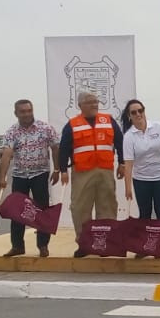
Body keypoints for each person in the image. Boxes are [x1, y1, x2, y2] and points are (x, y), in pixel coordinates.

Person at [60, 92, 125, 257]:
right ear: (80, 105)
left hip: (105, 170)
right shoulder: (72, 124)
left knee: (107, 207)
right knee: (80, 208)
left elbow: (120, 142)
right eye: (89, 102)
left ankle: (105, 244)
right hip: (82, 172)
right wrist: (62, 170)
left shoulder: (108, 121)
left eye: (96, 101)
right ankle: (84, 245)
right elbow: (64, 148)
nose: (94, 105)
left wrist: (122, 163)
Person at [0, 99, 61, 258]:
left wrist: (57, 169)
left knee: (42, 210)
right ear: (16, 113)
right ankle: (17, 246)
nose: (26, 114)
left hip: (40, 174)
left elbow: (55, 148)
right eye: (23, 111)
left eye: (29, 110)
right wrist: (2, 177)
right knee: (17, 211)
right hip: (20, 175)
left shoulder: (45, 128)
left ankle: (43, 245)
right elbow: (6, 154)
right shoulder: (12, 131)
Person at [121, 98, 160, 224]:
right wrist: (128, 187)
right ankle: (145, 237)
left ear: (144, 111)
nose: (138, 114)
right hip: (141, 180)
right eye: (134, 112)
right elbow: (128, 164)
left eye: (140, 110)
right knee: (145, 213)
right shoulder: (129, 137)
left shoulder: (158, 127)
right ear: (129, 116)